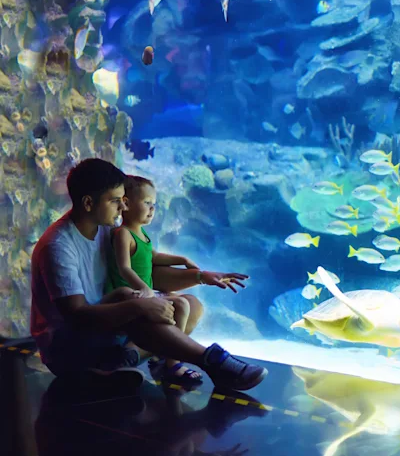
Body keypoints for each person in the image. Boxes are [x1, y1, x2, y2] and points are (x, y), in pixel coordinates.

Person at [29, 158, 267, 391]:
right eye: (115, 201)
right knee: (130, 299)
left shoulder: (107, 230)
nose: (123, 207)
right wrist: (139, 307)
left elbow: (147, 273)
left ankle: (122, 361)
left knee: (191, 305)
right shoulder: (58, 246)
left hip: (107, 332)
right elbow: (77, 315)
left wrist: (200, 276)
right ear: (89, 203)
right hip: (70, 348)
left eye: (123, 199)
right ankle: (212, 362)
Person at [107, 174, 203, 384]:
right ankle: (172, 363)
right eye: (147, 203)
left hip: (144, 293)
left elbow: (154, 256)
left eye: (154, 204)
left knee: (183, 302)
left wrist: (183, 259)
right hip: (129, 296)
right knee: (180, 305)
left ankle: (165, 354)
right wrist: (144, 288)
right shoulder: (123, 234)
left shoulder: (142, 234)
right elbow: (124, 268)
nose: (152, 209)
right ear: (126, 203)